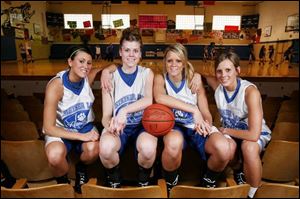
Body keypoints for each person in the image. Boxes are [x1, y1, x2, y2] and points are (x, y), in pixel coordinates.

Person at [153, 43, 235, 192]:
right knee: (173, 143)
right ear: (164, 62)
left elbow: (205, 112)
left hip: (195, 125)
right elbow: (159, 97)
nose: (173, 65)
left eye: (178, 61)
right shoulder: (160, 78)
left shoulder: (193, 79)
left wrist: (206, 123)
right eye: (169, 60)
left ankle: (208, 180)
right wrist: (193, 110)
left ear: (184, 62)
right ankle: (171, 184)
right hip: (174, 126)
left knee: (223, 149)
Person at [205, 52, 272, 198]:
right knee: (226, 147)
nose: (223, 75)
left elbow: (253, 135)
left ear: (238, 70)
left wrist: (225, 130)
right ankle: (238, 169)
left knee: (248, 147)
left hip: (254, 133)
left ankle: (253, 193)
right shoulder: (218, 87)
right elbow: (206, 77)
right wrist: (197, 78)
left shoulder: (249, 91)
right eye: (219, 71)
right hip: (232, 132)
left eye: (228, 70)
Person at [99, 28, 157, 188]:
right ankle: (115, 180)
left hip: (141, 126)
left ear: (140, 54)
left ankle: (143, 181)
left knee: (148, 148)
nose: (131, 54)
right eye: (127, 50)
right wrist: (109, 126)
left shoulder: (147, 73)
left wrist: (124, 111)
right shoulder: (110, 77)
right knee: (105, 148)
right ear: (120, 52)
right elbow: (105, 115)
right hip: (120, 129)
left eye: (135, 50)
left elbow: (148, 100)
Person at [42, 46, 101, 193]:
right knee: (55, 156)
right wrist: (81, 136)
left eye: (89, 63)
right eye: (81, 61)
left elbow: (110, 66)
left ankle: (81, 168)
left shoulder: (87, 78)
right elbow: (48, 128)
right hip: (60, 129)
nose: (86, 66)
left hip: (84, 126)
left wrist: (105, 72)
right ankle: (63, 182)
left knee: (94, 149)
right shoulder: (56, 85)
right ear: (70, 62)